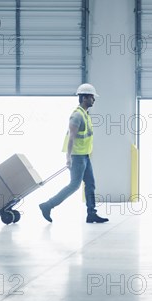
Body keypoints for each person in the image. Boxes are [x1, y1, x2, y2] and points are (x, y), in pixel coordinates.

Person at [39, 83, 109, 224]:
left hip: (85, 156)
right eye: (92, 97)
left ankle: (91, 214)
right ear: (84, 98)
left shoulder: (86, 115)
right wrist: (68, 158)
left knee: (90, 184)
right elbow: (71, 137)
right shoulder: (77, 116)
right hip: (76, 157)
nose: (94, 100)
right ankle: (47, 205)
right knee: (74, 185)